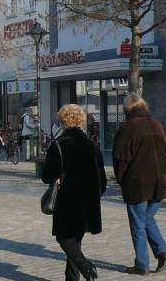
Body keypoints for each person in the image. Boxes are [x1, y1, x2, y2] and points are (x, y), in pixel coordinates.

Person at [42, 104, 106, 281]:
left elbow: (47, 176)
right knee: (75, 241)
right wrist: (93, 195)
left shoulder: (59, 145)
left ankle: (86, 266)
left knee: (65, 240)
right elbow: (103, 181)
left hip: (66, 203)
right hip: (87, 204)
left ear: (62, 121)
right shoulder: (92, 146)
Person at [113, 94, 166, 275]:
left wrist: (121, 179)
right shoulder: (157, 125)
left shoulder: (127, 128)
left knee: (138, 222)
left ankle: (142, 264)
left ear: (127, 109)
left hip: (137, 182)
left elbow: (120, 158)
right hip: (159, 180)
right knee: (147, 218)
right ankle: (162, 253)